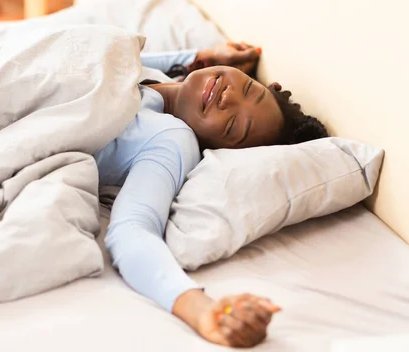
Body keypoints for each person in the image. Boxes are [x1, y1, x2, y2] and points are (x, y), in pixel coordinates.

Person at [94, 42, 328, 348]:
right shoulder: (155, 74)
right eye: (248, 89)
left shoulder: (169, 141)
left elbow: (132, 230)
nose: (228, 96)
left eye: (231, 125)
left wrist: (203, 312)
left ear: (215, 147)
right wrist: (192, 57)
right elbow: (114, 57)